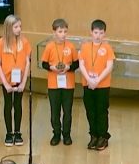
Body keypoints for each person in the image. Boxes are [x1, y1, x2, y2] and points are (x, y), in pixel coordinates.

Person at [0, 14, 31, 147]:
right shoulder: (1, 43)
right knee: (8, 105)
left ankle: (17, 131)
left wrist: (23, 82)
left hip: (20, 80)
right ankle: (9, 132)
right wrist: (4, 82)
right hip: (7, 80)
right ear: (9, 28)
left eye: (20, 26)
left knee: (18, 105)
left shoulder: (24, 42)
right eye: (16, 27)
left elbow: (27, 62)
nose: (19, 29)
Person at [41, 18, 79, 146]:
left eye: (65, 31)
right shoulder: (49, 47)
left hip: (68, 84)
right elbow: (44, 63)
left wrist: (68, 68)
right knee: (55, 111)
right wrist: (52, 68)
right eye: (60, 31)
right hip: (54, 84)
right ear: (54, 32)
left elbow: (76, 63)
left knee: (67, 111)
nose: (63, 34)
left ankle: (66, 134)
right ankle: (56, 134)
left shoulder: (71, 46)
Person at [79, 19, 115, 151]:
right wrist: (89, 79)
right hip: (88, 84)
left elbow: (109, 66)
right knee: (90, 110)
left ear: (104, 34)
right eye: (95, 32)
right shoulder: (85, 47)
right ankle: (93, 135)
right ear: (91, 32)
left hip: (102, 85)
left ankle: (103, 136)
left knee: (102, 111)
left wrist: (97, 80)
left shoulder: (107, 48)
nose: (98, 35)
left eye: (101, 33)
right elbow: (81, 64)